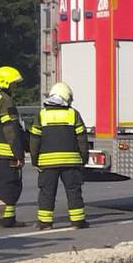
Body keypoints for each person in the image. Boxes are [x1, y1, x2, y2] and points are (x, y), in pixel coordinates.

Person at [29, 81, 89, 230]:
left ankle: (45, 223)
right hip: (71, 162)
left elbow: (34, 140)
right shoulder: (73, 114)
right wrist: (84, 158)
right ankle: (78, 222)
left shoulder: (41, 115)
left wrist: (35, 160)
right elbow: (82, 139)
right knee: (73, 191)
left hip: (47, 163)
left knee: (46, 193)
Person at [0, 66, 26, 227]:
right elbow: (11, 130)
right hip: (6, 150)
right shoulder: (5, 100)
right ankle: (7, 219)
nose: (15, 87)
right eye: (13, 84)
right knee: (9, 186)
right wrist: (19, 154)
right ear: (6, 83)